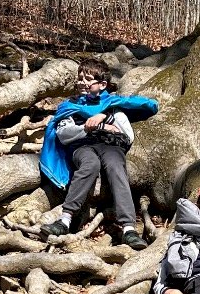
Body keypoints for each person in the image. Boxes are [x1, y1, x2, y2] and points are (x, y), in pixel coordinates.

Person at [40, 57, 158, 248]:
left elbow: (132, 128)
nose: (82, 82)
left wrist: (106, 115)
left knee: (116, 167)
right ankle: (65, 220)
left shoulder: (113, 105)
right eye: (80, 78)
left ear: (102, 84)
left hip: (111, 146)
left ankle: (128, 228)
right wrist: (90, 128)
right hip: (82, 146)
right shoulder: (69, 106)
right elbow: (63, 133)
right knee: (90, 164)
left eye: (88, 79)